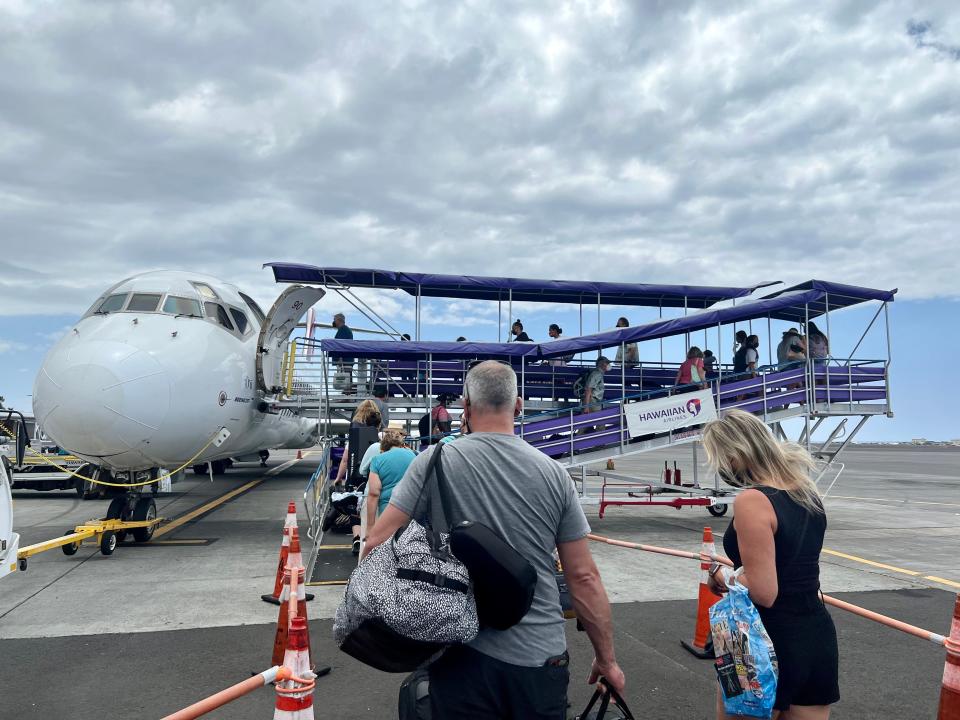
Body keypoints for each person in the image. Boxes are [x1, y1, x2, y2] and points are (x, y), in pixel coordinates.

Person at [363, 361, 625, 717]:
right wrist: (606, 659)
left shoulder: (434, 461)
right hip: (539, 658)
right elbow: (583, 577)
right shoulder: (554, 475)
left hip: (460, 656)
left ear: (466, 406)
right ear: (518, 406)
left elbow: (376, 546)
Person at [702, 409, 839, 719]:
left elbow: (764, 590)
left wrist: (721, 573)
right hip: (815, 635)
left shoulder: (752, 500)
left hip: (761, 639)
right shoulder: (807, 492)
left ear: (735, 456)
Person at [364, 430, 415, 540]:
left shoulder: (377, 460)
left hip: (388, 511)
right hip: (413, 510)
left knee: (388, 549)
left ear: (383, 447)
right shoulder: (413, 455)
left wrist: (370, 527)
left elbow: (373, 493)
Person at [332, 313, 355, 392]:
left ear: (338, 320)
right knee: (346, 379)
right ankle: (347, 396)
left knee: (346, 380)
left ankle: (348, 397)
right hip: (346, 360)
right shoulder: (345, 330)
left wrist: (339, 358)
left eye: (334, 320)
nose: (333, 322)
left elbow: (341, 345)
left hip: (345, 361)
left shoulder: (343, 330)